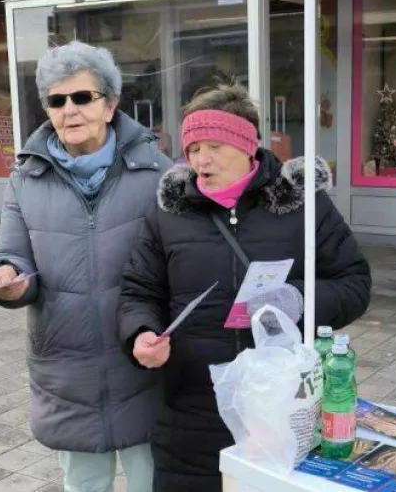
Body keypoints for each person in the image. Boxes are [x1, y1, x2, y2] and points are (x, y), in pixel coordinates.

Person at [117, 85, 373, 492]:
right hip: (190, 408)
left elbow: (355, 283)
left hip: (281, 406)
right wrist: (141, 332)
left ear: (248, 145)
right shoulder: (168, 213)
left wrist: (297, 299)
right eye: (193, 147)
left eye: (215, 145)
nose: (201, 159)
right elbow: (138, 291)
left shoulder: (303, 205)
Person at [0, 40, 170, 492]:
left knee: (154, 480)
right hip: (67, 367)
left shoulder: (157, 172)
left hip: (141, 357)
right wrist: (6, 278)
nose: (70, 110)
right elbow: (9, 253)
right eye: (57, 100)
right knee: (84, 485)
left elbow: (180, 258)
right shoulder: (26, 178)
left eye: (83, 97)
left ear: (110, 104)